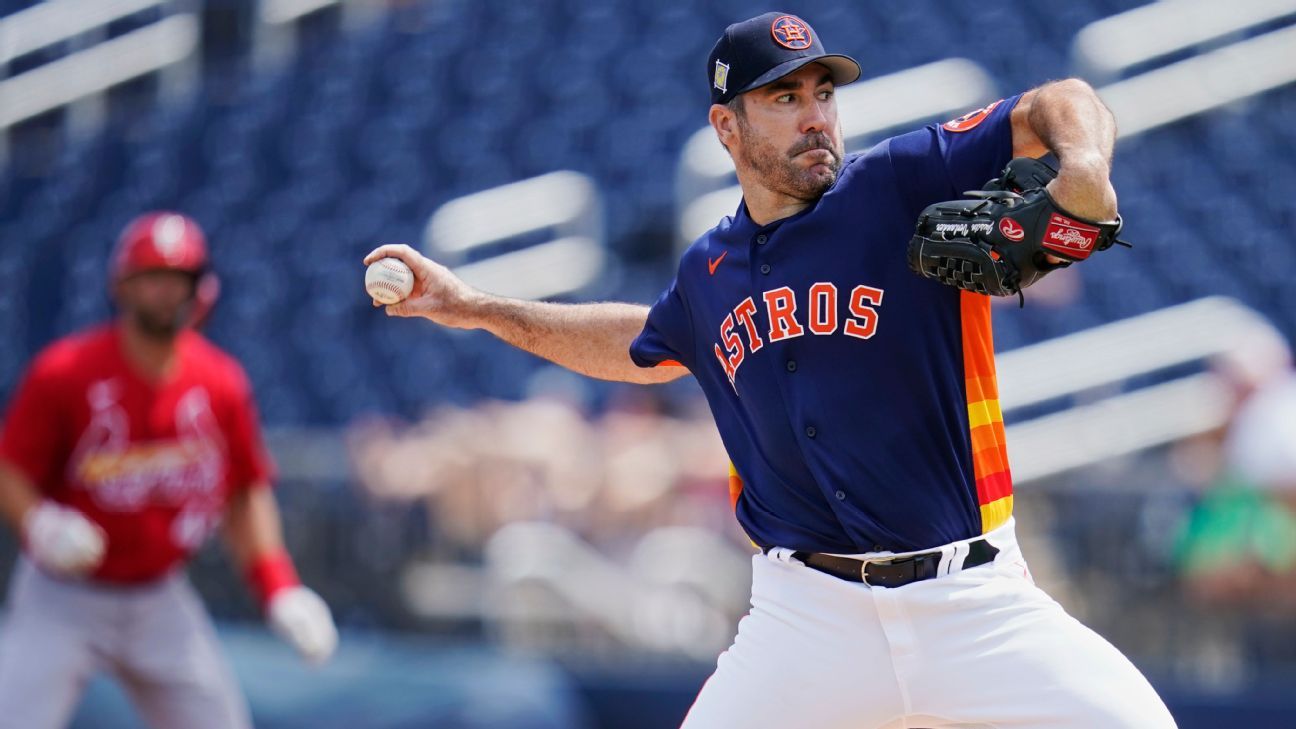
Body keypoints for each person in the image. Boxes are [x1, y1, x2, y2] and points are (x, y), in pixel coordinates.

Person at [365, 12, 1175, 728]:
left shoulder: (898, 183)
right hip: (807, 621)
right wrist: (475, 305)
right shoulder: (707, 272)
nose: (815, 115)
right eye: (784, 99)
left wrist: (1085, 164)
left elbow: (1061, 99)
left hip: (971, 598)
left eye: (823, 93)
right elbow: (641, 343)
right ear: (728, 127)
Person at [0, 212, 338, 728]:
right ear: (122, 286)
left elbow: (244, 493)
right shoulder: (66, 371)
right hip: (62, 597)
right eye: (151, 277)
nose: (164, 292)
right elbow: (9, 469)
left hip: (158, 597)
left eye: (177, 279)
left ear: (200, 288)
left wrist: (279, 587)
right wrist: (41, 522)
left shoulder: (220, 382)